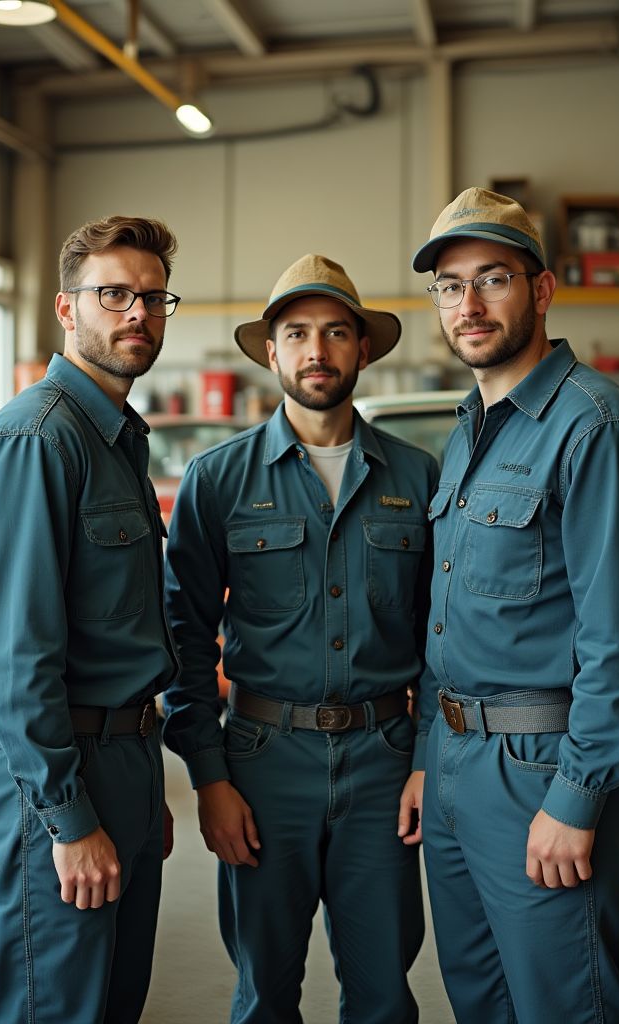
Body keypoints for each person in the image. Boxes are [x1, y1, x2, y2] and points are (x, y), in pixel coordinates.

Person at [406, 189, 619, 1023]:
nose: (469, 305)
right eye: (450, 286)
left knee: (567, 1002)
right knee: (479, 1000)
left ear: (543, 289)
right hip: (454, 763)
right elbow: (447, 617)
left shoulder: (597, 428)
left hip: (540, 769)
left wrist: (578, 794)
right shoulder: (470, 431)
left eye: (492, 279)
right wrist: (427, 754)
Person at [162, 254, 438, 1024]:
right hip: (261, 764)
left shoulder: (417, 478)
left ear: (363, 349)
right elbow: (183, 636)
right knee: (264, 995)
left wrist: (426, 761)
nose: (317, 350)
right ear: (272, 353)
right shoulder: (218, 479)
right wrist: (209, 779)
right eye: (297, 334)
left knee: (384, 995)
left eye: (336, 332)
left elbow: (442, 637)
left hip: (384, 763)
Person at [0, 215, 182, 1023]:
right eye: (113, 294)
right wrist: (67, 815)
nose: (137, 313)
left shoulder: (115, 437)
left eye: (153, 298)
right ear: (66, 307)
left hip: (120, 756)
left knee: (111, 1002)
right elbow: (13, 657)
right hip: (57, 769)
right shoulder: (39, 438)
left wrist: (141, 785)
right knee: (53, 1007)